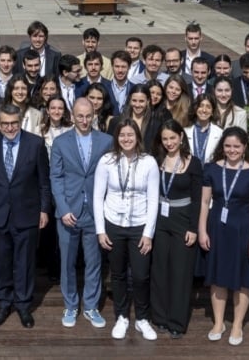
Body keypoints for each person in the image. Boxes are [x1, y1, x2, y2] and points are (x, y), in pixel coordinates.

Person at [0, 103, 52, 328]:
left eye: (14, 123)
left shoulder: (35, 144)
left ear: (20, 122)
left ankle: (23, 305)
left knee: (24, 262)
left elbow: (43, 181)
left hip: (27, 213)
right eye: (5, 124)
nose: (10, 128)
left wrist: (44, 209)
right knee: (1, 262)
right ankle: (3, 303)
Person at [198, 127, 249, 346]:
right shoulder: (210, 169)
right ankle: (218, 322)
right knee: (217, 277)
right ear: (222, 147)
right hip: (217, 228)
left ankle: (237, 324)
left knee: (243, 279)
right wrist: (202, 230)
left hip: (243, 231)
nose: (232, 150)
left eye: (236, 146)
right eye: (228, 146)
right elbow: (204, 202)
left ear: (245, 147)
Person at [48, 98, 113, 329]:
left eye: (88, 116)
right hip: (68, 212)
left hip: (96, 212)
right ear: (72, 116)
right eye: (80, 116)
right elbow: (55, 177)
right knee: (67, 262)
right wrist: (63, 209)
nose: (84, 121)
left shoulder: (106, 141)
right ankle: (71, 305)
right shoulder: (60, 142)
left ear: (94, 114)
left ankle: (91, 306)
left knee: (94, 262)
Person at [94, 120, 160, 340]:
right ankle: (122, 316)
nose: (126, 139)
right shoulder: (107, 161)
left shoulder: (149, 162)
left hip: (139, 225)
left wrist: (148, 233)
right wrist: (100, 230)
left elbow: (153, 200)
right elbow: (97, 197)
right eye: (122, 135)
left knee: (141, 276)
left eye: (130, 135)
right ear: (117, 137)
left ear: (138, 137)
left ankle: (142, 318)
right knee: (119, 274)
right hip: (113, 224)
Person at [149, 120, 202, 339]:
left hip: (183, 221)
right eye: (165, 139)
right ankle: (159, 317)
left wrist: (193, 227)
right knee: (160, 270)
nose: (169, 143)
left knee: (180, 273)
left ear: (181, 137)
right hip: (160, 221)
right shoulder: (156, 161)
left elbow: (198, 199)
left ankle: (177, 322)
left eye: (173, 138)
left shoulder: (193, 163)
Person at [188, 94, 224, 162]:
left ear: (212, 112)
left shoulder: (219, 133)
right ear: (195, 108)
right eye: (201, 106)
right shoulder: (186, 131)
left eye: (208, 107)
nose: (204, 110)